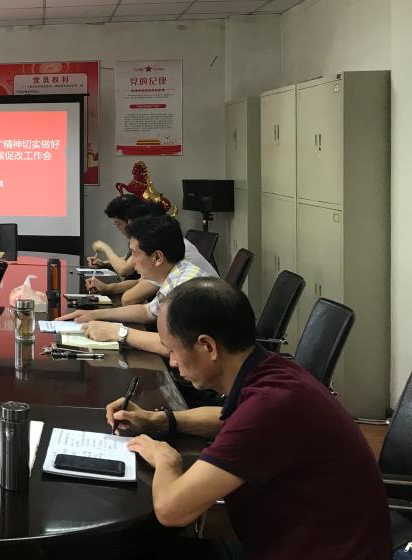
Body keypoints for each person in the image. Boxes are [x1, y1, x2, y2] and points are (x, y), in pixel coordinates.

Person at [106, 278, 389, 560]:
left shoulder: (270, 406)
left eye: (173, 351)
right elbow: (226, 421)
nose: (173, 362)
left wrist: (166, 460)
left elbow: (171, 510)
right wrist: (158, 420)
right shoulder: (271, 371)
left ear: (208, 346)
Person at [61, 215, 213, 356]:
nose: (132, 262)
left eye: (134, 254)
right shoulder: (175, 273)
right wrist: (95, 315)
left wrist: (118, 332)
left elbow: (175, 346)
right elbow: (147, 311)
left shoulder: (187, 286)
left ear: (157, 257)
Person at [87, 198, 217, 303]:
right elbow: (140, 284)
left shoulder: (166, 251)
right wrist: (108, 288)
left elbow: (129, 297)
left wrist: (105, 248)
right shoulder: (166, 246)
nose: (133, 262)